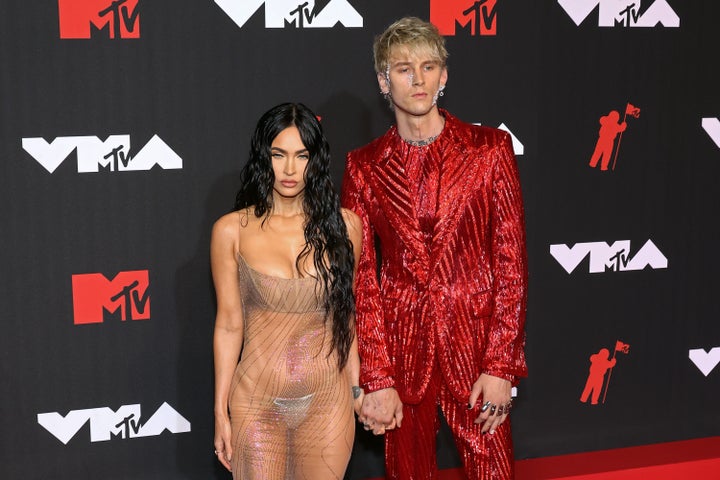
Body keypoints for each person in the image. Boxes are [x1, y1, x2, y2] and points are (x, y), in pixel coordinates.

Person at [341, 17, 528, 479]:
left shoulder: (490, 150)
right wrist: (377, 377)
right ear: (384, 81)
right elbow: (361, 281)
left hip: (477, 349)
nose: (418, 79)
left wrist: (502, 364)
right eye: (404, 69)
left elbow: (510, 262)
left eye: (429, 66)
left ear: (444, 76)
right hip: (403, 354)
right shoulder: (363, 167)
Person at [211, 103, 363, 479]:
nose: (290, 170)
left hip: (328, 402)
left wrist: (358, 392)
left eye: (302, 156)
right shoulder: (232, 231)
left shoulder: (347, 227)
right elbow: (229, 325)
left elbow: (348, 318)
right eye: (279, 155)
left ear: (316, 160)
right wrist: (220, 411)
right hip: (256, 403)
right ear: (264, 157)